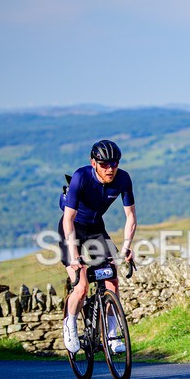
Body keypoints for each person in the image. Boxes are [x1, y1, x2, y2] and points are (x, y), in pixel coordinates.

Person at [59, 139, 137, 354]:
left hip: (95, 228)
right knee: (81, 286)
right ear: (93, 163)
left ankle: (111, 333)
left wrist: (125, 249)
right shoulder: (81, 177)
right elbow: (68, 220)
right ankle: (70, 325)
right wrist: (74, 256)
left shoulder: (123, 179)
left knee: (112, 279)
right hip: (73, 229)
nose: (110, 169)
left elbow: (130, 217)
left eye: (114, 164)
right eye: (104, 164)